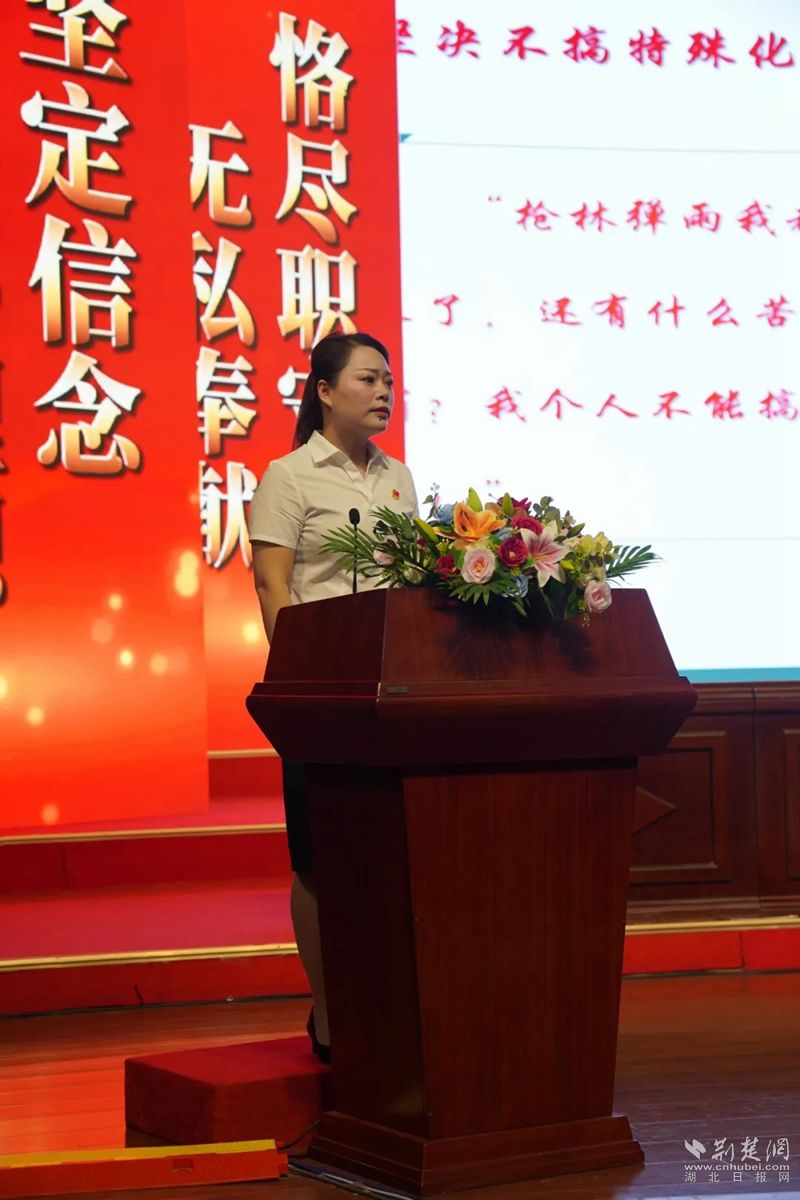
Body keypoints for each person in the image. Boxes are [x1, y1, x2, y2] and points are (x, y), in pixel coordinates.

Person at [248, 331, 418, 1063]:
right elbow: (271, 586)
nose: (384, 392)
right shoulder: (289, 477)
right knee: (320, 860)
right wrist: (298, 680)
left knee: (387, 857)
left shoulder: (398, 476)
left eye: (389, 381)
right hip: (322, 696)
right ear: (324, 390)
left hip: (392, 694)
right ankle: (328, 1014)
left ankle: (387, 1007)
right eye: (368, 379)